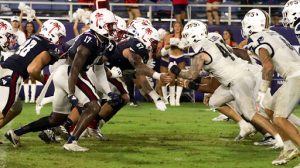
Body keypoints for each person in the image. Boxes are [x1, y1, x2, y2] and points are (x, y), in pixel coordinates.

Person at [5, 9, 116, 152]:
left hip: (63, 74)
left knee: (56, 118)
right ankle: (72, 142)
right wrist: (71, 93)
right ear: (100, 24)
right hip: (68, 73)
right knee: (94, 106)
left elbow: (99, 67)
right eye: (110, 25)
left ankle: (16, 133)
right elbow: (75, 68)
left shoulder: (101, 40)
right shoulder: (90, 40)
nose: (113, 28)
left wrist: (108, 92)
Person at [168, 19, 285, 149]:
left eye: (187, 35)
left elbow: (191, 75)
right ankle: (245, 126)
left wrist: (175, 70)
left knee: (250, 113)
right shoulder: (215, 37)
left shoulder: (200, 55)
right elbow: (234, 51)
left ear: (195, 35)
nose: (186, 38)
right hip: (236, 77)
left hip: (239, 79)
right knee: (214, 101)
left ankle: (278, 138)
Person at [243, 8, 300, 166]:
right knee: (269, 108)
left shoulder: (256, 39)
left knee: (279, 118)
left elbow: (268, 67)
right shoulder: (273, 33)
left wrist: (262, 90)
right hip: (295, 74)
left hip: (296, 76)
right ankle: (289, 148)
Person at [2, 19, 66, 144]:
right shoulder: (48, 45)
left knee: (16, 108)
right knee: (3, 112)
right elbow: (32, 70)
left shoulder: (35, 38)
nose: (60, 40)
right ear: (53, 33)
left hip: (5, 68)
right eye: (59, 36)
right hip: (12, 75)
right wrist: (44, 80)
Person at [19, 10, 44, 103]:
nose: (29, 27)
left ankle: (32, 98)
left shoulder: (35, 35)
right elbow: (19, 24)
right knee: (25, 78)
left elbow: (41, 26)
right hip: (24, 58)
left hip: (33, 57)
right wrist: (22, 13)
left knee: (33, 78)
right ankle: (27, 98)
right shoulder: (22, 34)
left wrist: (34, 16)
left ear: (33, 27)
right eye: (28, 26)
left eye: (31, 26)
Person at [164, 22, 185, 106]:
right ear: (173, 27)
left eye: (179, 26)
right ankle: (172, 99)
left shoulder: (183, 37)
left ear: (181, 27)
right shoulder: (169, 36)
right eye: (175, 26)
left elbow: (186, 47)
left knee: (180, 79)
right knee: (171, 78)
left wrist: (180, 45)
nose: (177, 28)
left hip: (180, 57)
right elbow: (165, 47)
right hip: (172, 57)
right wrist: (172, 44)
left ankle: (177, 100)